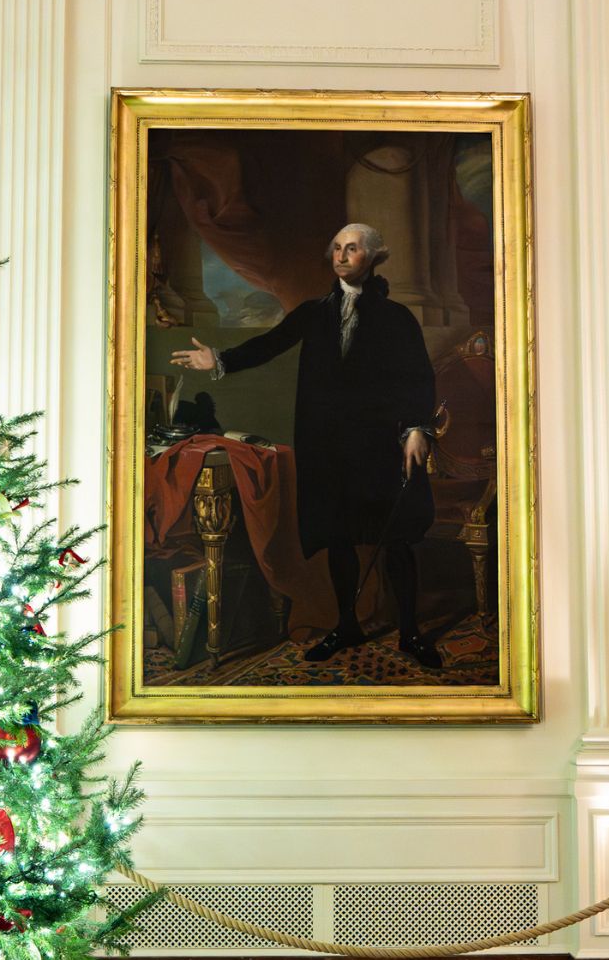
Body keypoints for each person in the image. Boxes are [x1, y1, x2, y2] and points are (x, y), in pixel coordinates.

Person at [170, 223, 442, 669]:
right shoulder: (314, 312)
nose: (340, 255)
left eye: (351, 248)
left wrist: (416, 430)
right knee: (337, 537)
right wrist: (217, 359)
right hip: (328, 446)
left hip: (380, 446)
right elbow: (270, 344)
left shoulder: (397, 318)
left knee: (395, 538)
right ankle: (347, 623)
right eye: (336, 247)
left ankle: (410, 631)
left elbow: (418, 377)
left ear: (372, 257)